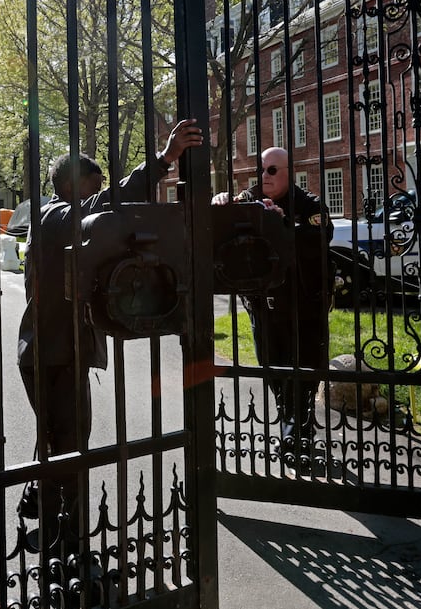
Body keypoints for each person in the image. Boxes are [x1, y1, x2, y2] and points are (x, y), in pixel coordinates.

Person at [17, 119, 203, 563]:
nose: (98, 193)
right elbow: (109, 201)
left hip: (56, 351)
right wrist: (163, 160)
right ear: (70, 186)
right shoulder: (54, 216)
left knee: (58, 436)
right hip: (55, 352)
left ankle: (42, 506)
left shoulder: (61, 222)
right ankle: (69, 540)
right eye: (92, 184)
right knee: (71, 444)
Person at [212, 146, 334, 473]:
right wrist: (221, 203)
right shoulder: (248, 198)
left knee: (305, 372)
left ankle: (298, 437)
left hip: (303, 307)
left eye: (272, 171)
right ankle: (292, 424)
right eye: (261, 170)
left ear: (287, 172)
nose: (264, 177)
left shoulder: (308, 203)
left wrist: (284, 227)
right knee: (272, 368)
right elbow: (221, 228)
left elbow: (321, 233)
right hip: (263, 306)